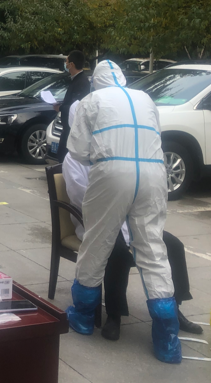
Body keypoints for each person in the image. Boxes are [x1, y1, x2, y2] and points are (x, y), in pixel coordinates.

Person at [65, 60, 181, 364]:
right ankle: (168, 342)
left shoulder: (93, 100)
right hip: (154, 173)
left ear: (96, 81)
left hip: (112, 172)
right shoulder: (145, 98)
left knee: (97, 243)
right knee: (153, 249)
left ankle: (83, 318)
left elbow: (77, 151)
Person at [62, 99, 202, 342]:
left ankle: (174, 309)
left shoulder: (118, 153)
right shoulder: (73, 160)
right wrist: (117, 202)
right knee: (115, 252)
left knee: (173, 245)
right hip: (97, 222)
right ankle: (114, 315)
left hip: (132, 221)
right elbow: (80, 197)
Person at [55, 50, 91, 163]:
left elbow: (76, 106)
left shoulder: (82, 82)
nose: (65, 64)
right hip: (67, 128)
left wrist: (60, 108)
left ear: (72, 64)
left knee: (65, 159)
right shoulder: (75, 80)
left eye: (66, 62)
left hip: (72, 129)